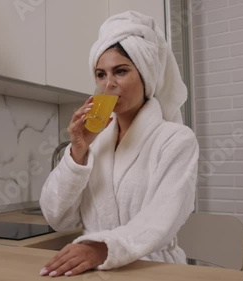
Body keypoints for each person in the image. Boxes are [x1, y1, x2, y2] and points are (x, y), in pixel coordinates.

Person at [38, 11, 199, 277]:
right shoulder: (95, 143)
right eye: (101, 75)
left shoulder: (176, 140)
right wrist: (78, 150)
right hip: (98, 271)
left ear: (146, 75)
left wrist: (103, 248)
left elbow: (161, 218)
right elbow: (57, 217)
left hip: (154, 268)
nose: (108, 84)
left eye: (121, 71)